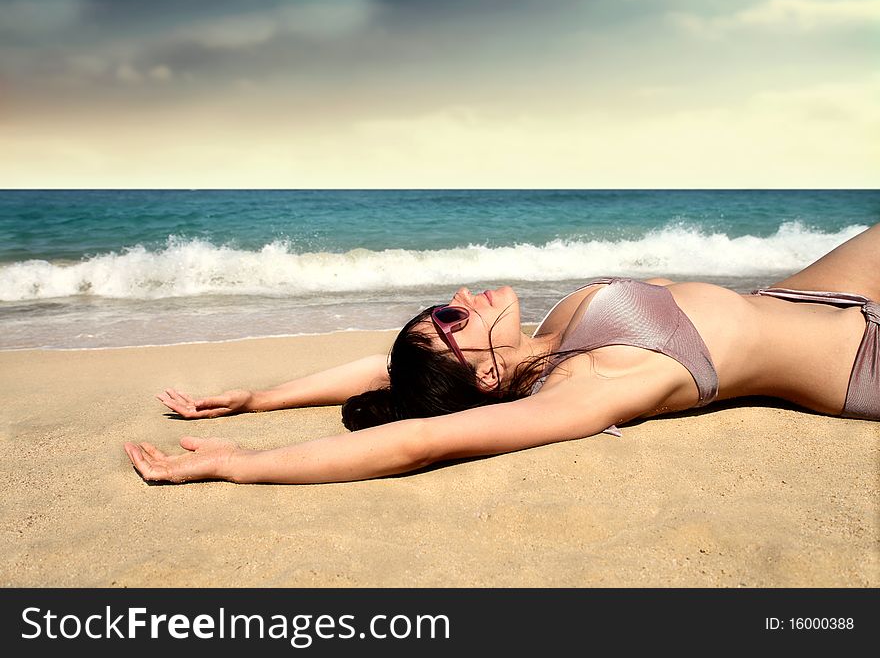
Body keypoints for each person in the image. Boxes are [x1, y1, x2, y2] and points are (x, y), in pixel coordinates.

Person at [124, 224, 879, 484]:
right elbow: (421, 437)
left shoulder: (552, 334)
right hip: (861, 359)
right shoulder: (585, 386)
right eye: (453, 317)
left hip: (809, 296)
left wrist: (258, 399)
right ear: (485, 375)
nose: (464, 295)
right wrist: (238, 460)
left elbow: (388, 377)